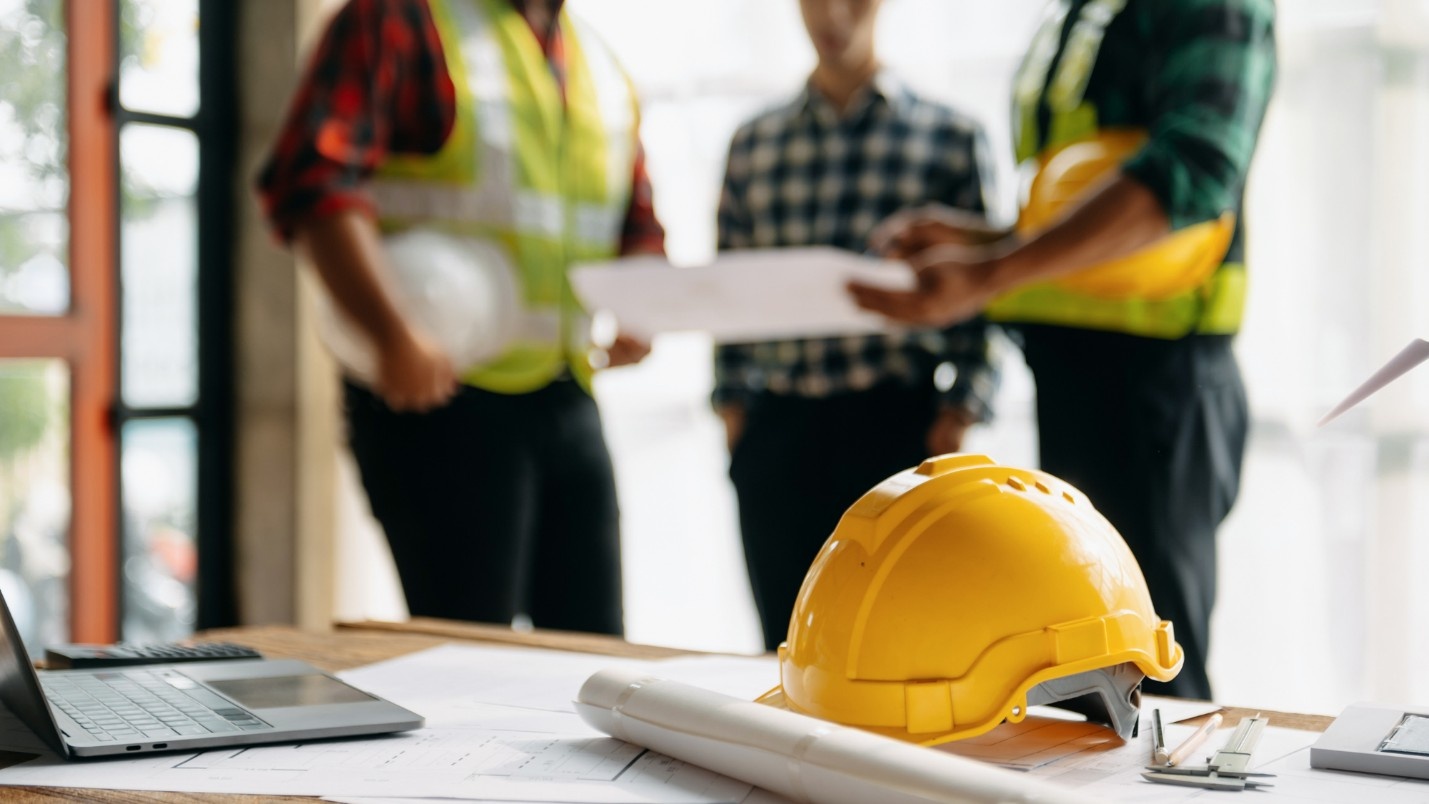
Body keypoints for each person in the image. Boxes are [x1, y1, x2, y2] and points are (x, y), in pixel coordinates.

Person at [850, 0, 1276, 699]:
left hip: (1156, 387)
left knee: (1153, 678)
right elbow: (1081, 202)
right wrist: (985, 242)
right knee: (1092, 676)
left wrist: (990, 271)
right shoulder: (1084, 11)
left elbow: (1191, 172)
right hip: (1080, 380)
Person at [257, 0, 664, 636]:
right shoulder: (399, 19)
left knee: (596, 656)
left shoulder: (600, 66)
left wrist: (641, 301)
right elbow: (315, 183)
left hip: (567, 392)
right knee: (469, 661)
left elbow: (636, 218)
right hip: (441, 401)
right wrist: (392, 334)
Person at [717, 0, 1002, 652]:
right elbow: (730, 290)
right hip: (778, 431)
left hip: (898, 430)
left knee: (905, 647)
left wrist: (960, 412)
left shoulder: (950, 135)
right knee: (789, 647)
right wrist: (734, 415)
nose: (831, 14)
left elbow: (983, 298)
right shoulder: (753, 142)